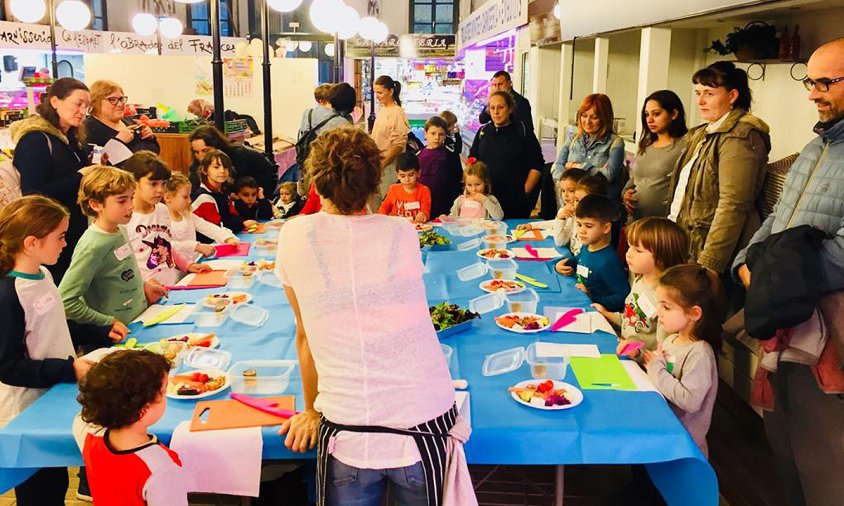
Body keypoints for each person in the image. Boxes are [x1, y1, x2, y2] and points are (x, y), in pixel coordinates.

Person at [275, 126, 471, 505]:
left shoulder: (295, 235)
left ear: (316, 181)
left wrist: (312, 411)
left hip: (348, 425)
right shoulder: (401, 232)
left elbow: (306, 337)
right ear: (375, 181)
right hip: (423, 420)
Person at [732, 37, 844, 506]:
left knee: (825, 459)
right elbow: (778, 220)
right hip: (782, 318)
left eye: (825, 82)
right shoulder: (815, 146)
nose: (813, 93)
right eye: (811, 82)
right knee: (784, 442)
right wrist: (745, 265)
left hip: (825, 332)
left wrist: (775, 282)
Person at [0, 196, 113, 506]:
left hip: (52, 396)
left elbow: (55, 325)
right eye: (61, 236)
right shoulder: (9, 294)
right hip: (25, 411)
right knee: (38, 492)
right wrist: (69, 369)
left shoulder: (44, 274)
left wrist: (100, 331)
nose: (66, 242)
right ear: (31, 243)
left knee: (56, 481)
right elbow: (8, 367)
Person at [667, 61, 770, 275]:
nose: (701, 101)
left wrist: (710, 264)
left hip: (709, 251)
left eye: (709, 93)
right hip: (687, 242)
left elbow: (733, 205)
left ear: (732, 96)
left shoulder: (739, 136)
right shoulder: (704, 132)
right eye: (697, 93)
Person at [73, 349, 188, 505]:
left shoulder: (89, 436)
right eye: (164, 390)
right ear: (143, 411)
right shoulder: (162, 468)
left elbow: (83, 417)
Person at [10, 78, 95, 283]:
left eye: (87, 106)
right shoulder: (35, 140)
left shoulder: (70, 137)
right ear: (55, 101)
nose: (82, 111)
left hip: (72, 227)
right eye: (78, 104)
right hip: (48, 234)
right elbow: (33, 194)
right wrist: (80, 176)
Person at [59, 166, 162, 331]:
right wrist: (108, 322)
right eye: (122, 200)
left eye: (131, 198)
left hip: (137, 323)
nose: (131, 206)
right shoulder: (92, 246)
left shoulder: (121, 229)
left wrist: (143, 288)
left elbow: (119, 274)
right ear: (95, 204)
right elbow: (66, 300)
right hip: (114, 337)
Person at [645, 264, 723, 457]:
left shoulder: (700, 354)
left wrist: (656, 369)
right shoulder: (672, 339)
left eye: (666, 307)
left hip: (682, 447)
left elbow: (690, 401)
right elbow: (660, 363)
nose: (658, 312)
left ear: (694, 313)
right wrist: (639, 355)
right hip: (664, 431)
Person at [590, 217, 689, 354]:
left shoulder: (665, 297)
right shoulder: (640, 279)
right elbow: (631, 318)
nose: (628, 254)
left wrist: (638, 353)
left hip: (642, 364)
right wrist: (608, 314)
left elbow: (664, 350)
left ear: (661, 257)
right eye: (630, 247)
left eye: (638, 250)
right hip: (625, 347)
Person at [122, 152, 210, 286]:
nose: (160, 190)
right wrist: (144, 286)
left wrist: (186, 264)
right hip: (145, 291)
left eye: (163, 184)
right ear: (133, 182)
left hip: (170, 284)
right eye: (153, 184)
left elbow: (166, 246)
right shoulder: (125, 219)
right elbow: (124, 265)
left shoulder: (162, 210)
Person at [469, 91, 544, 218]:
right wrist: (473, 189)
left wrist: (524, 192)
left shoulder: (523, 131)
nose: (496, 112)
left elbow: (537, 165)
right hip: (488, 201)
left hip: (515, 202)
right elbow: (472, 161)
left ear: (510, 109)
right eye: (492, 108)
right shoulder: (483, 132)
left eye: (501, 107)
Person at [551, 93, 626, 208]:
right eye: (584, 115)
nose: (587, 121)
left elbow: (609, 175)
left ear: (604, 118)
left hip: (599, 210)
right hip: (569, 209)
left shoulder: (615, 143)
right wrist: (572, 185)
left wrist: (576, 167)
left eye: (594, 117)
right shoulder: (573, 139)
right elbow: (557, 168)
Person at [623, 90, 688, 220]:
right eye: (647, 115)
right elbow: (635, 176)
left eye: (656, 114)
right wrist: (625, 193)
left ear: (674, 114)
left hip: (662, 224)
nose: (650, 120)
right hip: (635, 220)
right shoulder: (646, 144)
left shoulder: (685, 145)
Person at [557, 194, 629, 312]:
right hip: (580, 303)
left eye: (588, 226)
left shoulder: (608, 262)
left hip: (596, 314)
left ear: (606, 228)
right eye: (579, 224)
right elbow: (578, 260)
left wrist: (592, 298)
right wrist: (562, 265)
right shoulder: (587, 247)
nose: (581, 231)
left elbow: (622, 298)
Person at [164, 172, 237, 259]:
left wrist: (227, 238)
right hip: (177, 270)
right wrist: (197, 247)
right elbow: (170, 245)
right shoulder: (162, 222)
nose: (190, 201)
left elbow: (208, 227)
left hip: (194, 263)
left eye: (189, 196)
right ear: (168, 197)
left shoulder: (187, 215)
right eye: (185, 197)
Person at [187, 125, 276, 197]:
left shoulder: (239, 156)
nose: (201, 156)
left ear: (217, 146)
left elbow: (235, 187)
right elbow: (194, 192)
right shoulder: (196, 165)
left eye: (205, 151)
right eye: (196, 152)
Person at [192, 149, 258, 238]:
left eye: (226, 167)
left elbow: (234, 215)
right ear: (205, 171)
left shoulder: (222, 191)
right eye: (216, 167)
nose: (222, 171)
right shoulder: (204, 197)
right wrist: (243, 224)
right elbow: (216, 228)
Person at [84, 80, 159, 156]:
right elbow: (95, 163)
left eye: (121, 99)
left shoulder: (131, 122)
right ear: (95, 102)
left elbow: (154, 152)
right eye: (112, 100)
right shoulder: (87, 129)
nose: (120, 104)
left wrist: (151, 138)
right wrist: (118, 142)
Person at [518, 168, 587, 249]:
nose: (565, 195)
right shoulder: (567, 210)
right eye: (563, 190)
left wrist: (560, 218)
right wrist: (532, 225)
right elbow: (556, 224)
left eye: (571, 191)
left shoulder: (582, 216)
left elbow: (560, 241)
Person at [371, 75, 410, 203]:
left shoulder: (396, 112)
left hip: (389, 167)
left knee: (388, 201)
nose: (377, 96)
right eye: (376, 92)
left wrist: (383, 163)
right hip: (378, 164)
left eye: (380, 92)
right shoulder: (383, 110)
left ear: (391, 91)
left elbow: (399, 145)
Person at [417, 116, 463, 218]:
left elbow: (457, 177)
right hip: (421, 204)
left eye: (441, 134)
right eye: (433, 133)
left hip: (444, 203)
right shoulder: (418, 155)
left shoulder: (450, 155)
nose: (437, 137)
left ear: (445, 135)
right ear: (425, 134)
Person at [377, 152, 431, 224]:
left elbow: (426, 211)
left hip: (416, 228)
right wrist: (381, 218)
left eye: (411, 175)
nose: (407, 179)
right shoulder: (393, 189)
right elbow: (384, 207)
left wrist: (423, 214)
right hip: (396, 227)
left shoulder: (424, 190)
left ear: (418, 173)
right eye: (402, 176)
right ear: (397, 175)